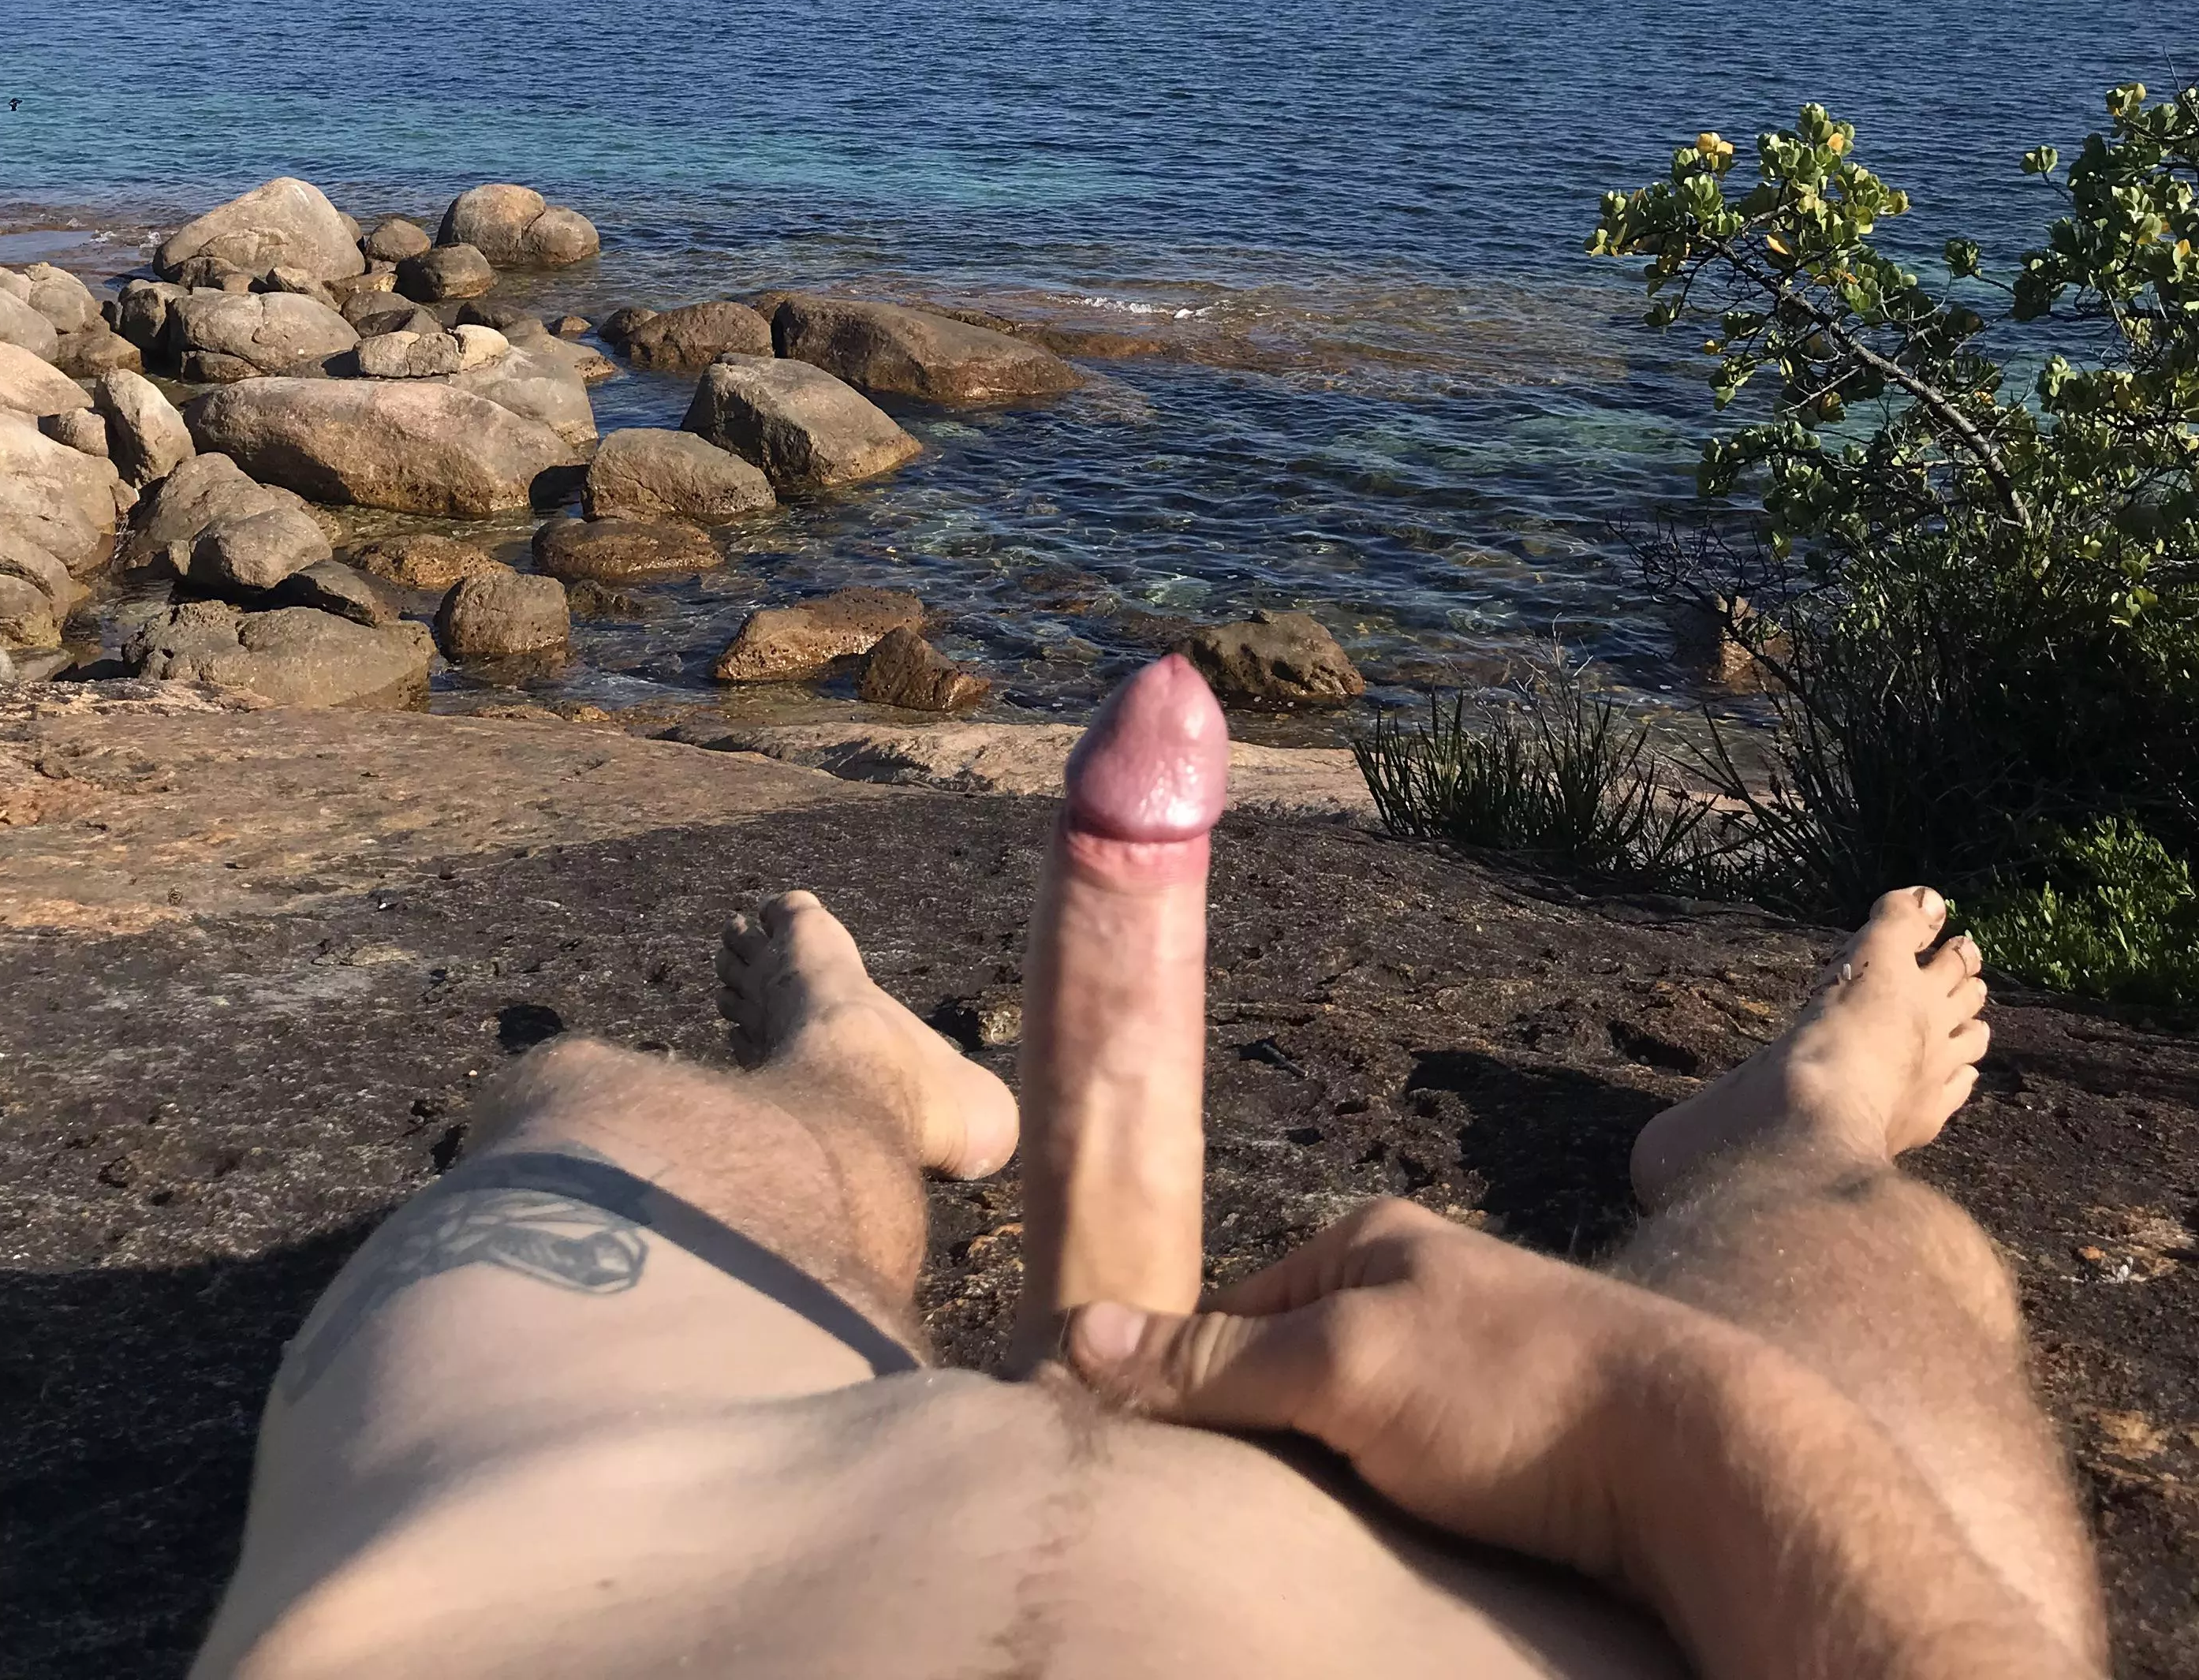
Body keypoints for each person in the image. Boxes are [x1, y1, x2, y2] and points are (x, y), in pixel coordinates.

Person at [191, 659, 2104, 1680]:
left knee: (605, 1124)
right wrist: (1680, 1432)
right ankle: (1798, 1147)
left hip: (559, 1568)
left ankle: (854, 1081)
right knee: (1871, 1276)